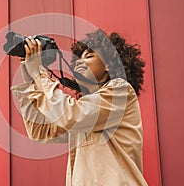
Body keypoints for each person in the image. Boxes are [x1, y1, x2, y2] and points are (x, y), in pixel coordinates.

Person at [11, 29, 148, 186]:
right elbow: (41, 131)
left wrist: (38, 74)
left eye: (89, 56)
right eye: (78, 58)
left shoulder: (121, 92)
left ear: (109, 65)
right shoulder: (85, 111)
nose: (80, 61)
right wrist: (30, 76)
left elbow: (72, 116)